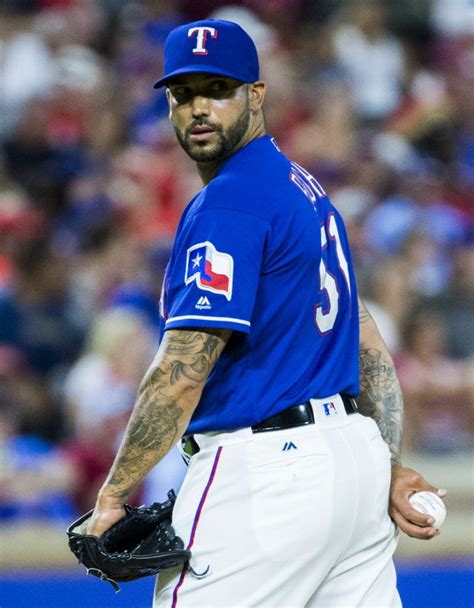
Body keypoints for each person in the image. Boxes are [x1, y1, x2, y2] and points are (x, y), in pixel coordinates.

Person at [87, 19, 446, 607]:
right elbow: (367, 342)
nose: (199, 107)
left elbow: (181, 373)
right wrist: (389, 463)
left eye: (218, 89)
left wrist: (113, 495)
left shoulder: (228, 203)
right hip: (352, 466)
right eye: (183, 94)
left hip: (265, 481)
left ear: (256, 95)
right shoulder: (305, 191)